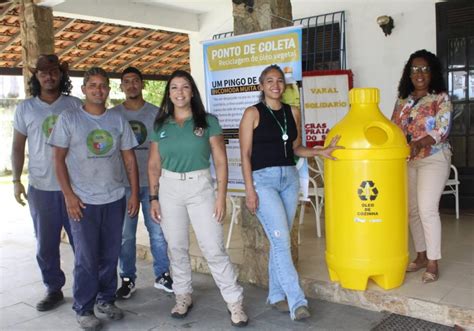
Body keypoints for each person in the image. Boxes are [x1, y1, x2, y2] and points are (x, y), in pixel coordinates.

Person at [239, 64, 342, 321]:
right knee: (283, 241)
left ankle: (275, 295)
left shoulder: (292, 112)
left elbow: (296, 147)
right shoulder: (252, 113)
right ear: (261, 86)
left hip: (289, 180)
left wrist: (320, 151)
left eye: (279, 80)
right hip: (263, 182)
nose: (275, 84)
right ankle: (297, 301)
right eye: (269, 80)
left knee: (280, 241)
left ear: (284, 86)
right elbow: (245, 155)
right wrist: (250, 191)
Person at [148, 70, 248, 327]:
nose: (179, 92)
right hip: (169, 188)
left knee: (213, 247)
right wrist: (154, 197)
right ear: (168, 94)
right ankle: (182, 296)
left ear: (192, 92)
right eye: (174, 88)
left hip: (201, 186)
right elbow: (154, 164)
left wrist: (220, 196)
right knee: (177, 247)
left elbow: (221, 161)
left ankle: (234, 301)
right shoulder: (161, 125)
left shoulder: (208, 122)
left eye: (184, 87)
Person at [48, 67, 140, 330]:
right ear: (84, 89)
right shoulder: (69, 118)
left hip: (114, 198)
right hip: (83, 202)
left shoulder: (117, 119)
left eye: (103, 86)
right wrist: (69, 196)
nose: (98, 90)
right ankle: (84, 307)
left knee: (111, 254)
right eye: (93, 85)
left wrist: (133, 193)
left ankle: (106, 299)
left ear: (108, 90)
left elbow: (129, 159)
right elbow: (58, 160)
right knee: (87, 257)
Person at [11, 54, 82, 312]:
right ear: (36, 77)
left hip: (75, 188)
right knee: (46, 243)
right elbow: (18, 146)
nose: (49, 76)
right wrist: (17, 180)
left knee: (82, 241)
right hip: (41, 188)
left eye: (53, 72)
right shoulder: (25, 109)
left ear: (61, 75)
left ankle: (87, 288)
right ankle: (53, 289)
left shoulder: (75, 105)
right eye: (43, 73)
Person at [391, 49, 452, 284]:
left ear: (432, 72)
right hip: (408, 161)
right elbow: (395, 129)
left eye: (425, 69)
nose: (419, 73)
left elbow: (442, 130)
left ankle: (434, 262)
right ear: (408, 73)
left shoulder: (440, 98)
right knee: (413, 210)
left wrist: (419, 142)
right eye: (415, 69)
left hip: (434, 158)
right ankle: (422, 255)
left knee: (427, 209)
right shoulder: (402, 101)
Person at [112, 67, 172, 299]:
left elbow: (166, 149)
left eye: (135, 81)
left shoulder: (158, 114)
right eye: (126, 81)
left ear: (142, 84)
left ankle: (163, 275)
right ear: (121, 87)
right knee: (125, 236)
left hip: (153, 184)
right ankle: (127, 279)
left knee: (157, 233)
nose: (131, 85)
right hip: (124, 186)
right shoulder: (113, 115)